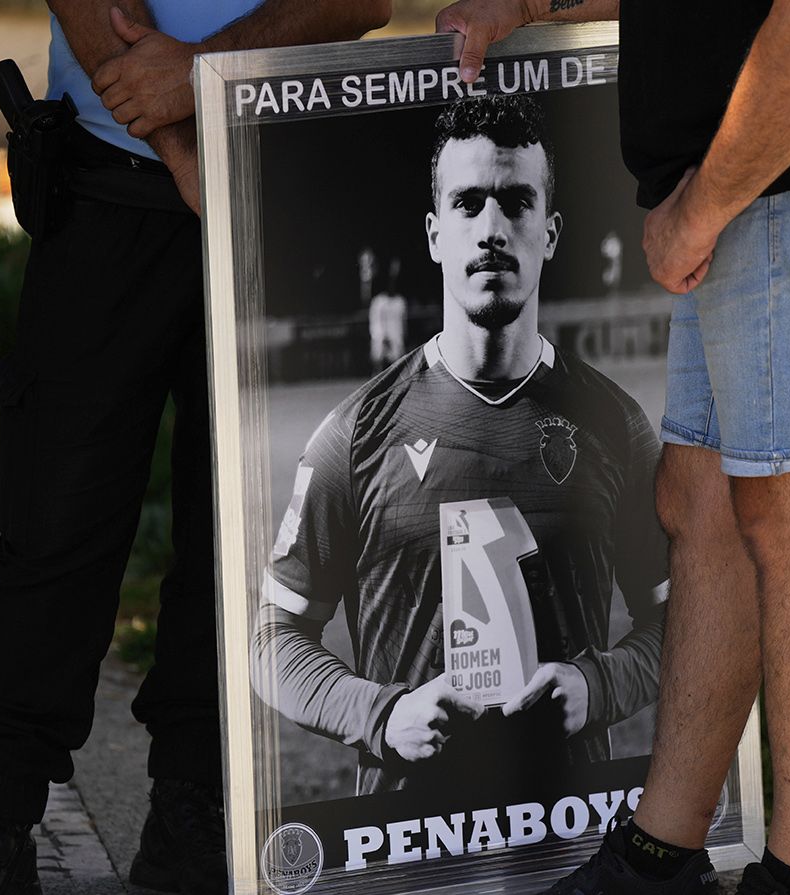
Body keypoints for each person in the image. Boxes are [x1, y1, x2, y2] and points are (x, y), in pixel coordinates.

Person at [432, 1, 790, 893]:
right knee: (703, 504)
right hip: (747, 181)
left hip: (785, 177)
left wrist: (703, 206)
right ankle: (658, 859)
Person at [0, 2, 391, 894]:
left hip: (280, 169)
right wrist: (181, 141)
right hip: (107, 186)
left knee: (246, 531)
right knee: (53, 520)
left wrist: (196, 72)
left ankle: (195, 811)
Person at [253, 95, 668, 797]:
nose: (493, 229)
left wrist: (599, 686)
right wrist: (382, 712)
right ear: (435, 232)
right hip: (411, 844)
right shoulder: (354, 435)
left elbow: (682, 622)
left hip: (566, 838)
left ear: (551, 230)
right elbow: (272, 640)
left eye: (515, 202)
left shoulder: (616, 426)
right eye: (468, 203)